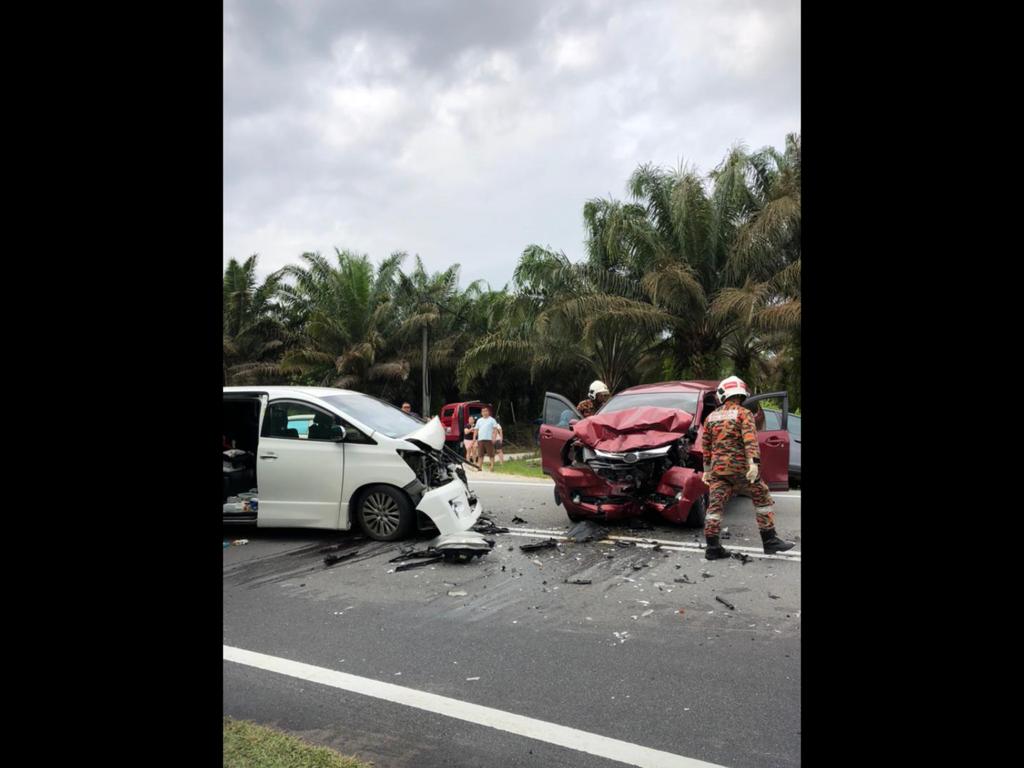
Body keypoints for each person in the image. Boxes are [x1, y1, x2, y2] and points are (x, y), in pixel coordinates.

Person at [700, 375, 795, 559]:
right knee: (762, 497)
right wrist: (753, 464)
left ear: (723, 394)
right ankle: (769, 541)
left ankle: (712, 548)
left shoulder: (711, 417)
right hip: (740, 469)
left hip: (719, 471)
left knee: (715, 506)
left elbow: (706, 446)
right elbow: (750, 440)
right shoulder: (744, 414)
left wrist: (706, 470)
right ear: (741, 394)